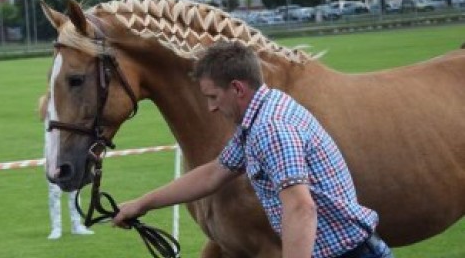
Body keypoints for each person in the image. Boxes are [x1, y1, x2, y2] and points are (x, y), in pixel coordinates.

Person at [112, 41, 393, 258]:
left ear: (237, 88)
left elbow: (300, 207)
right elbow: (214, 173)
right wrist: (141, 204)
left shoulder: (271, 129)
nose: (211, 107)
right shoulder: (263, 114)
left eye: (213, 96)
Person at [38, 94, 94, 240]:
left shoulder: (71, 102)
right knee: (54, 191)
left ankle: (77, 225)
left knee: (74, 190)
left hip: (70, 151)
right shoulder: (48, 103)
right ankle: (56, 228)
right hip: (53, 152)